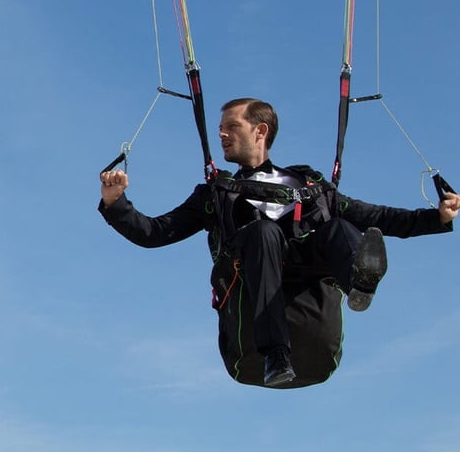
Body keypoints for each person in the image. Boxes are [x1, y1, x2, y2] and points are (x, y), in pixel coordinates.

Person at [98, 96, 458, 386]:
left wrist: (437, 216)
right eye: (220, 128)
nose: (221, 134)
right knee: (262, 231)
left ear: (260, 131)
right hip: (253, 298)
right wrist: (117, 203)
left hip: (309, 289)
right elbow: (156, 232)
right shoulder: (216, 192)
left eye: (231, 127)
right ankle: (276, 353)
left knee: (340, 227)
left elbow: (377, 217)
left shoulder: (312, 188)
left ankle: (359, 285)